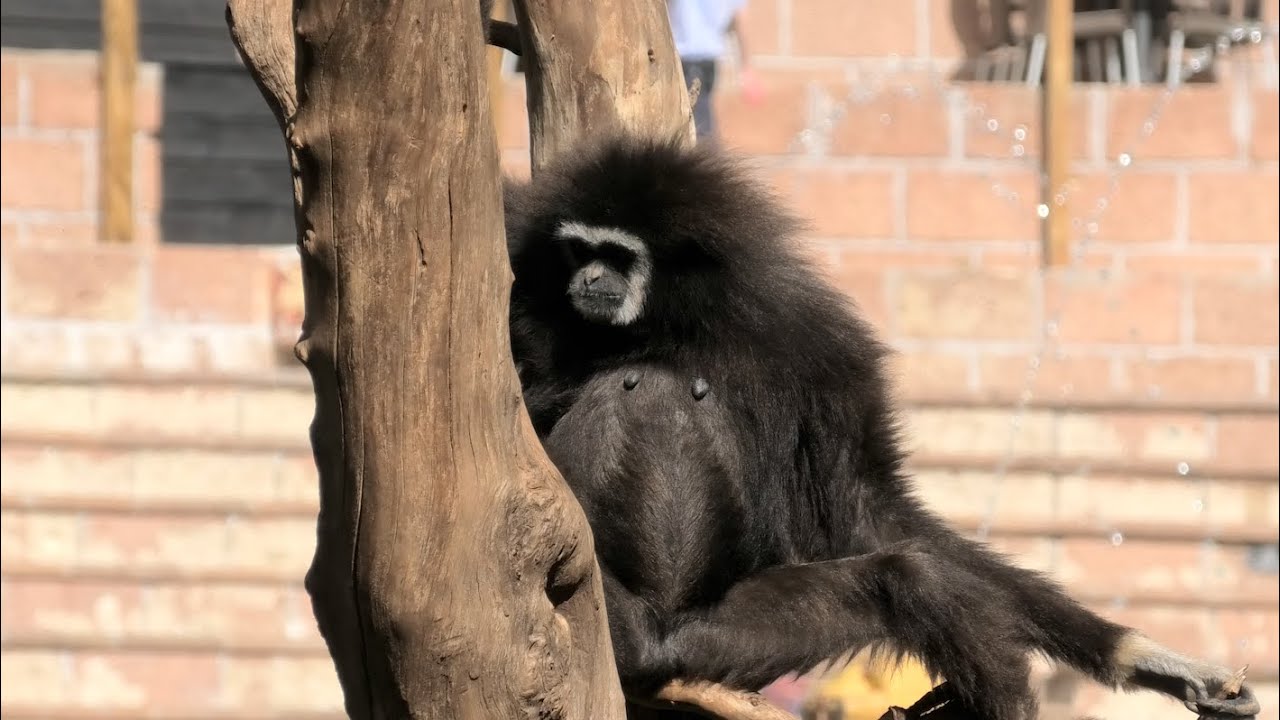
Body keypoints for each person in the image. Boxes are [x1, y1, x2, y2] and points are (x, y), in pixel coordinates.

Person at [667, 0, 764, 143]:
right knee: (697, 121)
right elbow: (740, 21)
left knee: (697, 128)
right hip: (709, 59)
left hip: (686, 58)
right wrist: (746, 68)